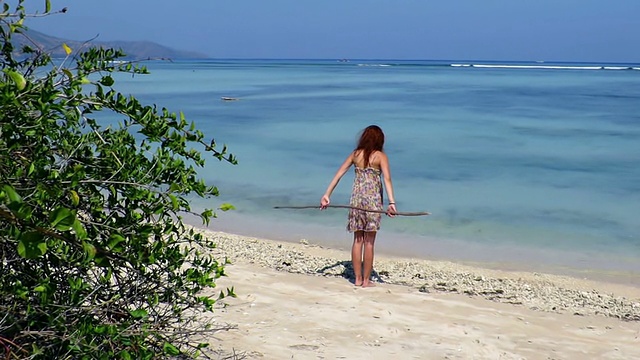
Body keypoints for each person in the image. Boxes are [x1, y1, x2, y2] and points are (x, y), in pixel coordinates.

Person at [320, 125, 396, 287]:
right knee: (369, 242)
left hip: (356, 201)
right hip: (373, 202)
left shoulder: (356, 154)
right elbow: (387, 179)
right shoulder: (380, 156)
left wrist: (327, 195)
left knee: (358, 240)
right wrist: (391, 202)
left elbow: (339, 173)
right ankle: (366, 280)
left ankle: (357, 279)